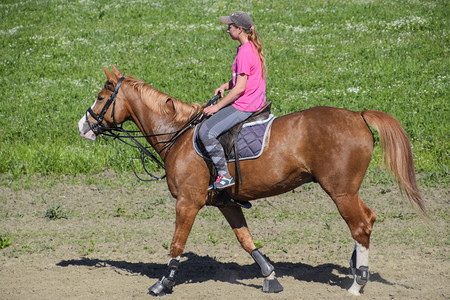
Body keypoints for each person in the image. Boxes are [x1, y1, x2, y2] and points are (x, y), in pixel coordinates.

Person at [199, 11, 267, 191]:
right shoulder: (249, 47)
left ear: (240, 29)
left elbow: (240, 89)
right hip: (254, 100)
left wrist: (217, 107)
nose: (227, 30)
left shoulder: (245, 52)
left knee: (205, 132)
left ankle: (224, 175)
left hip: (245, 105)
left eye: (230, 27)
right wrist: (224, 85)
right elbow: (240, 80)